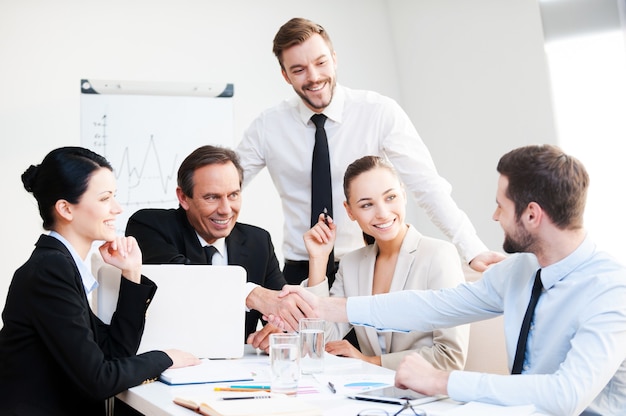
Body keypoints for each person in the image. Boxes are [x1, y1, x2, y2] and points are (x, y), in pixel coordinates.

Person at [274, 144, 626, 415]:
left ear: (532, 215)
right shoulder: (519, 270)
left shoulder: (611, 291)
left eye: (501, 206)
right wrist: (325, 307)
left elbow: (566, 396)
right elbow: (433, 306)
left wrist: (441, 381)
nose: (494, 215)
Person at [236, 17, 505, 285]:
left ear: (334, 58)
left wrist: (472, 249)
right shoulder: (268, 127)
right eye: (299, 70)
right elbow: (223, 186)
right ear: (285, 75)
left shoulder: (378, 112)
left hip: (370, 265)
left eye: (321, 63)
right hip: (300, 268)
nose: (314, 77)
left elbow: (426, 185)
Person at [0, 147, 200, 416]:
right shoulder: (51, 270)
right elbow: (98, 379)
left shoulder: (61, 265)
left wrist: (130, 274)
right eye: (105, 198)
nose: (117, 209)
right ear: (65, 209)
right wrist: (165, 358)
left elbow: (113, 353)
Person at [125, 145, 310, 346]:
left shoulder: (258, 241)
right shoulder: (148, 226)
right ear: (183, 198)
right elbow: (184, 279)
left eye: (233, 195)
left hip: (238, 367)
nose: (225, 209)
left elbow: (279, 303)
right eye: (212, 197)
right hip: (170, 362)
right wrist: (251, 294)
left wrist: (277, 330)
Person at [301, 155, 469, 371]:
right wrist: (318, 259)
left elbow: (450, 357)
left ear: (403, 195)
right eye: (367, 204)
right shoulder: (351, 264)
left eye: (390, 198)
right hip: (368, 396)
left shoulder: (439, 256)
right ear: (349, 211)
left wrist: (370, 362)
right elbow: (321, 342)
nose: (382, 213)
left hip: (426, 397)